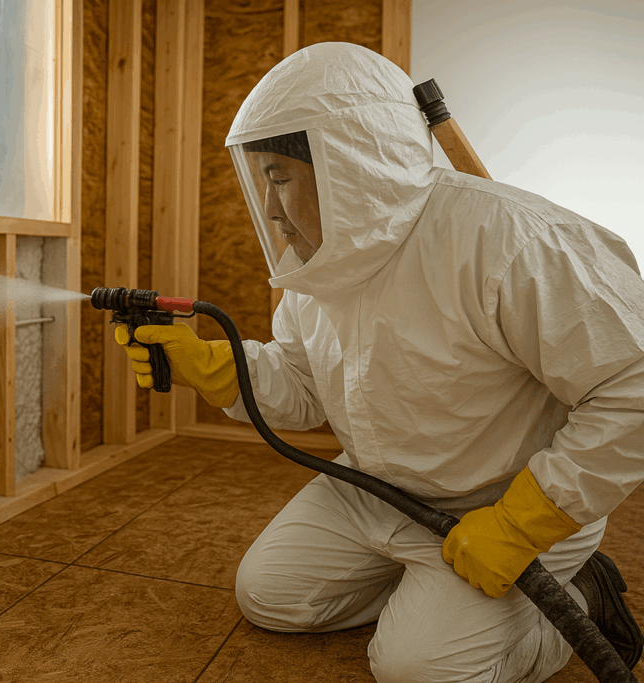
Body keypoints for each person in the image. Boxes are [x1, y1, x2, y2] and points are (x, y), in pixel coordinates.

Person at [114, 42, 644, 682]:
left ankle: (575, 595)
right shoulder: (321, 263)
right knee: (271, 595)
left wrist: (523, 521)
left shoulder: (509, 240)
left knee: (418, 672)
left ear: (348, 166)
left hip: (503, 496)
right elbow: (307, 385)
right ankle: (444, 596)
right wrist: (218, 367)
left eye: (280, 177)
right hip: (377, 487)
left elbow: (631, 388)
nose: (272, 210)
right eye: (263, 181)